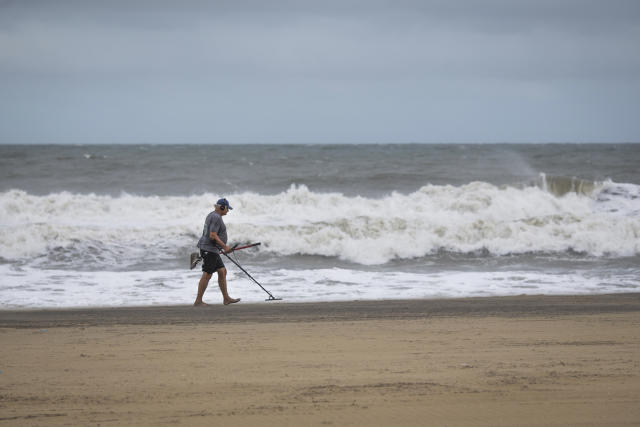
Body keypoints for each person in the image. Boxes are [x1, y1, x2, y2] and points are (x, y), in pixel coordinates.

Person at [194, 198, 241, 306]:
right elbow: (212, 235)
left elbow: (212, 235)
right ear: (222, 207)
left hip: (212, 249)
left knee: (222, 271)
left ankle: (226, 298)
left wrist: (220, 246)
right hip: (209, 250)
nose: (228, 211)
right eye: (227, 209)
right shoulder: (216, 217)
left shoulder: (213, 215)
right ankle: (198, 301)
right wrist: (225, 247)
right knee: (207, 275)